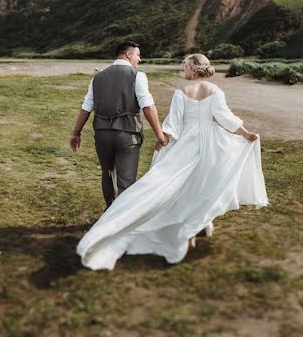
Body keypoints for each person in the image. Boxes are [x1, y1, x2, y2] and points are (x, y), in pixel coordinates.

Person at [76, 53, 268, 270]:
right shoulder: (215, 91)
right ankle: (199, 223)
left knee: (177, 182)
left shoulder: (182, 91)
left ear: (194, 69)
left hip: (187, 141)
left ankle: (193, 224)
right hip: (210, 141)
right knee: (203, 181)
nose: (183, 69)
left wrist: (164, 138)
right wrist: (245, 133)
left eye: (185, 66)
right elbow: (225, 117)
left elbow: (174, 121)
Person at [69, 41, 169, 208]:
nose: (140, 59)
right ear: (128, 54)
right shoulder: (138, 76)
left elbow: (86, 107)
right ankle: (119, 223)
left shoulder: (98, 77)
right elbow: (148, 106)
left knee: (108, 174)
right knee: (126, 181)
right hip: (127, 135)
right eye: (138, 54)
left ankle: (109, 214)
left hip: (102, 134)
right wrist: (160, 135)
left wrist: (76, 133)